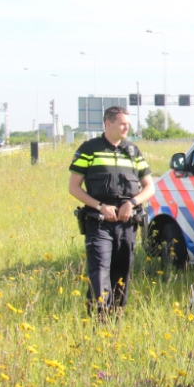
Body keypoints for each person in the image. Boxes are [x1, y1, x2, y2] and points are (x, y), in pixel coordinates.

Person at [69, 106, 154, 315]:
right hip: (98, 222)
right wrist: (99, 206)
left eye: (128, 123)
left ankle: (116, 320)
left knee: (122, 273)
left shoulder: (133, 151)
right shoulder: (89, 149)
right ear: (108, 124)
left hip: (127, 223)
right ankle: (99, 320)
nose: (127, 127)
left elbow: (150, 187)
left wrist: (131, 203)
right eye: (122, 123)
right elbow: (73, 187)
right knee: (99, 272)